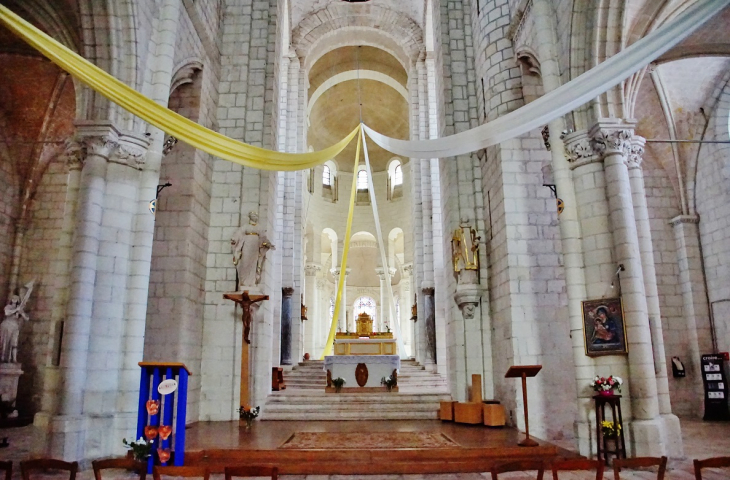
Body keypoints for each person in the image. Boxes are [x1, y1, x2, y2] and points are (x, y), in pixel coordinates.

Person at [231, 212, 274, 289]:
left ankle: (251, 282)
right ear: (250, 217)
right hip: (246, 245)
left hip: (255, 247)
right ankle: (243, 282)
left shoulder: (259, 227)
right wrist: (234, 239)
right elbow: (239, 233)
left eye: (256, 216)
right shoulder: (246, 226)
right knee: (245, 262)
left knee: (254, 264)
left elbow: (263, 237)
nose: (255, 217)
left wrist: (268, 244)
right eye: (253, 216)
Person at [0, 280, 35, 363]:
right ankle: (3, 358)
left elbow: (26, 318)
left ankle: (14, 359)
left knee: (14, 342)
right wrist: (16, 309)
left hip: (15, 327)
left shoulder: (19, 309)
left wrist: (22, 313)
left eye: (16, 298)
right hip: (7, 326)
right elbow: (7, 313)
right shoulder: (8, 307)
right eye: (13, 298)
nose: (15, 299)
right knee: (5, 343)